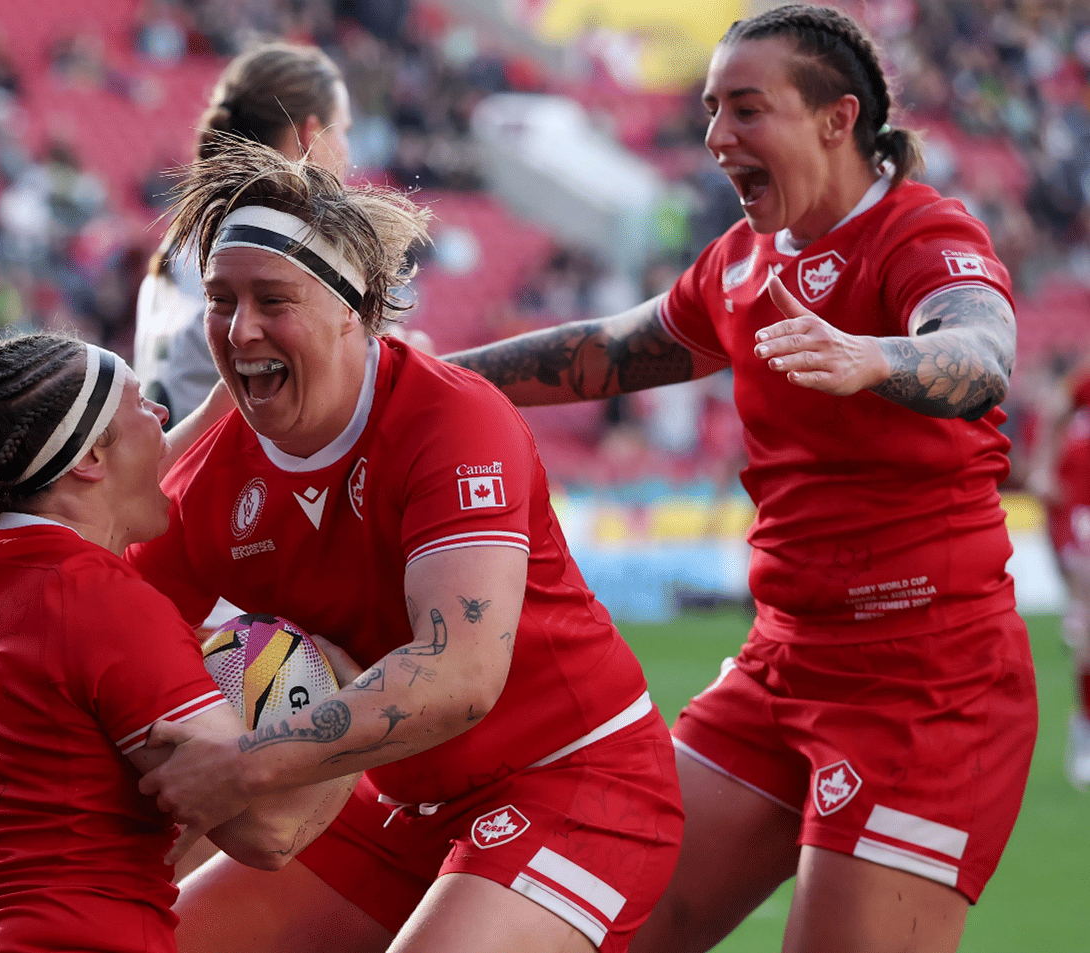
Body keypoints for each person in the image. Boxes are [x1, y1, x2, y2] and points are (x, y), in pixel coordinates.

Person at [443, 6, 1034, 953]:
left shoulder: (923, 232)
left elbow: (981, 351)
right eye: (713, 109)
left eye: (747, 110)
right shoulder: (741, 262)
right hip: (781, 665)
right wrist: (431, 374)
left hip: (928, 682)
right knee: (607, 923)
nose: (717, 137)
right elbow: (605, 351)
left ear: (837, 119)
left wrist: (876, 358)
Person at [119, 138, 683, 953]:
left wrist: (244, 761)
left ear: (352, 306)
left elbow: (458, 674)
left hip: (575, 780)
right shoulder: (207, 477)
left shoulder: (451, 419)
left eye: (271, 299)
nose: (240, 330)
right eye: (220, 298)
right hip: (392, 803)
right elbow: (104, 642)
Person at [0, 332, 355, 953]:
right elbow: (269, 831)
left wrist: (224, 407)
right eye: (141, 403)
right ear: (87, 460)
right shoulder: (107, 603)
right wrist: (362, 696)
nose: (163, 415)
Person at [134, 41, 351, 427]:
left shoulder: (193, 231)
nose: (347, 152)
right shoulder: (279, 242)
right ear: (311, 134)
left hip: (170, 463)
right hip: (218, 472)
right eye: (344, 130)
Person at [1026, 356, 1090, 790]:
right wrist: (1044, 468)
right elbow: (1055, 407)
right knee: (1087, 619)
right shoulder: (1082, 383)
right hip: (1081, 511)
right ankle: (1085, 730)